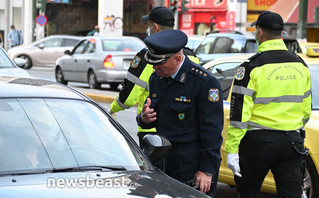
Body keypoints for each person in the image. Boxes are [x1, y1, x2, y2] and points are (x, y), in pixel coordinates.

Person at [225, 11, 312, 198]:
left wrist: (232, 149)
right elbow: (306, 110)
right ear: (281, 34)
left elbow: (240, 114)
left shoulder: (251, 67)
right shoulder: (300, 65)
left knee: (249, 193)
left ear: (260, 33)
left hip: (258, 142)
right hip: (292, 142)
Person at [136, 29, 224, 197]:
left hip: (191, 165)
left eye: (160, 63)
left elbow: (212, 133)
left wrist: (206, 170)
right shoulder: (157, 79)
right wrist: (144, 118)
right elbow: (154, 117)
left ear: (177, 59)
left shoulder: (204, 83)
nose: (155, 67)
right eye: (153, 63)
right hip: (163, 162)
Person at [109, 6, 199, 145]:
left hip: (152, 129)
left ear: (155, 27)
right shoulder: (190, 56)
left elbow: (128, 96)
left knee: (154, 166)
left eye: (148, 25)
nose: (148, 29)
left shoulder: (146, 56)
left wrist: (113, 109)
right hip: (185, 129)